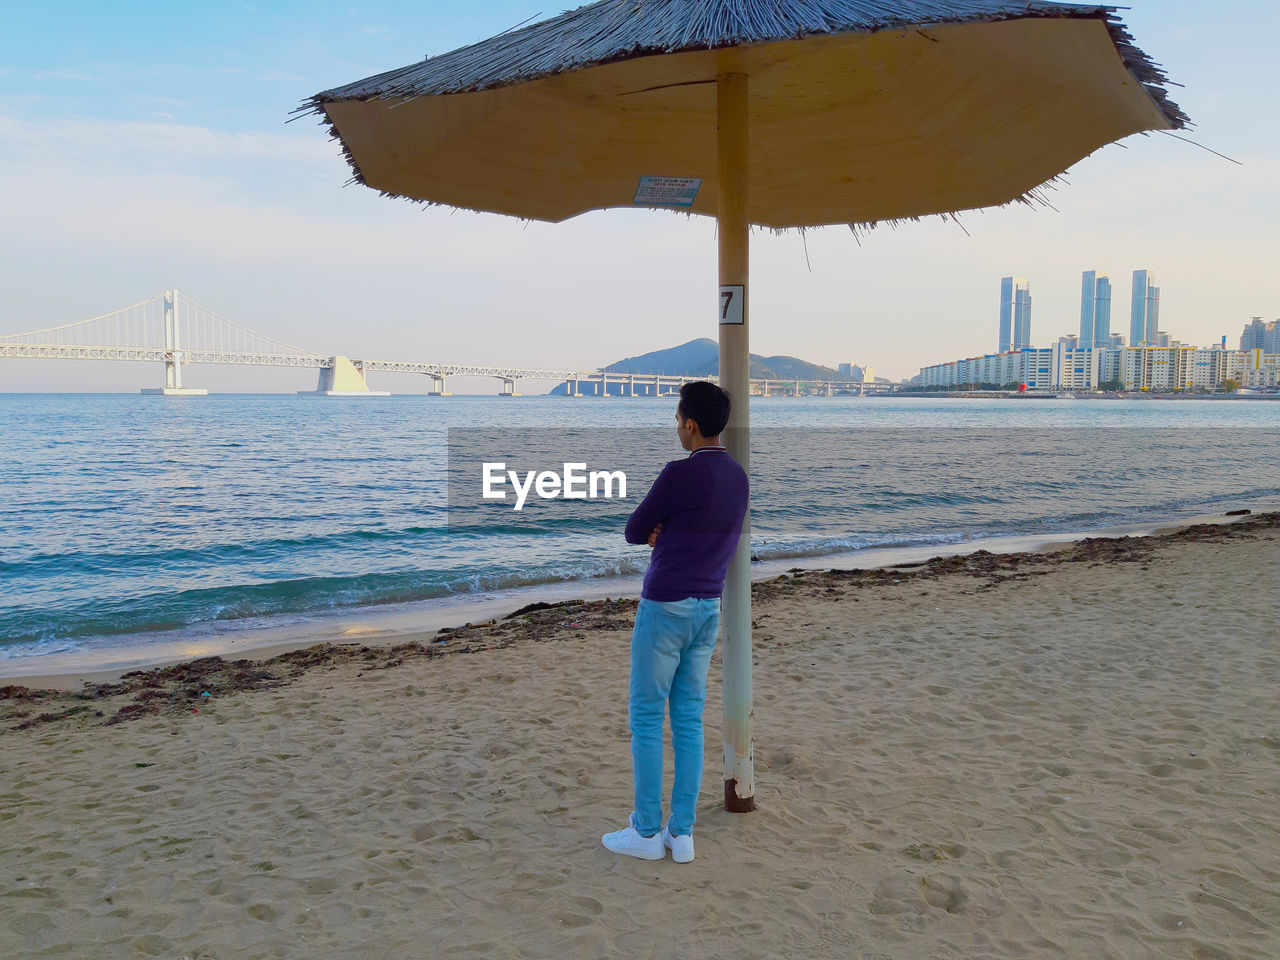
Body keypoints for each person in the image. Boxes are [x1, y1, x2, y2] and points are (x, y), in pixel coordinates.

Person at [601, 380, 749, 864]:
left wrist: (658, 533)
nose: (676, 428)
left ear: (689, 424)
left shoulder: (677, 473)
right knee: (687, 719)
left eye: (677, 420)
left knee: (646, 717)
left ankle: (645, 831)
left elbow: (632, 530)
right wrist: (669, 530)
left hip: (665, 605)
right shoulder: (738, 477)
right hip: (708, 607)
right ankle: (680, 834)